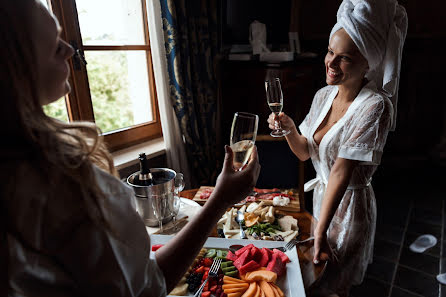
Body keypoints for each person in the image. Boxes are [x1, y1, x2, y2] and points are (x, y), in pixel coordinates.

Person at [0, 1, 260, 296]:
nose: (71, 50)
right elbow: (149, 287)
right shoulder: (66, 183)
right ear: (14, 67)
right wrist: (219, 200)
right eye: (54, 45)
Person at [267, 0, 407, 296]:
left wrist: (320, 233)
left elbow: (341, 172)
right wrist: (291, 129)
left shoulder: (375, 107)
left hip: (349, 210)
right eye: (330, 51)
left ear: (368, 61)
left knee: (332, 287)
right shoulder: (323, 95)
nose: (330, 63)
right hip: (321, 202)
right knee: (315, 283)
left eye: (344, 58)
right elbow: (305, 151)